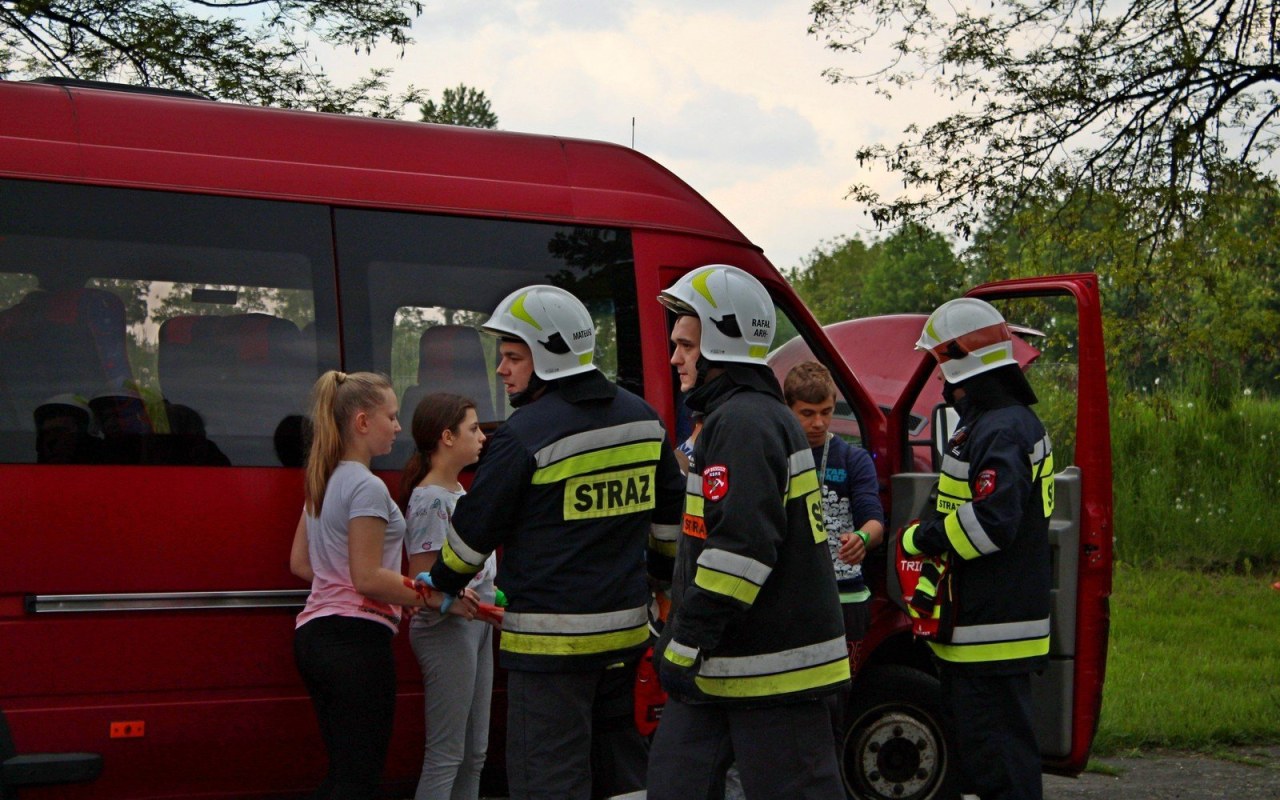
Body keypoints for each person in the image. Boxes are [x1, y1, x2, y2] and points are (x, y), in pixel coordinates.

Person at [425, 286, 685, 800]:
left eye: (513, 356)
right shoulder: (644, 419)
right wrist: (657, 578)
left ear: (550, 356)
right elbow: (670, 524)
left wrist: (443, 581)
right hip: (627, 642)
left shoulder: (524, 435)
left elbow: (470, 539)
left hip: (549, 654)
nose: (501, 369)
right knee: (626, 777)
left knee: (550, 780)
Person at [647, 264, 850, 800]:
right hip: (730, 662)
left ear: (720, 342)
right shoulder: (742, 417)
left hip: (773, 673)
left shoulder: (743, 423)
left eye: (686, 345)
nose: (675, 358)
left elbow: (741, 552)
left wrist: (685, 637)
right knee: (674, 784)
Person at [289, 370, 478, 800]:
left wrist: (397, 590)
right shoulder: (367, 487)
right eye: (391, 417)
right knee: (359, 777)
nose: (397, 427)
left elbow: (303, 563)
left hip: (314, 635)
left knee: (342, 772)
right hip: (355, 642)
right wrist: (438, 596)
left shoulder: (322, 479)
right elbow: (368, 577)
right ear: (361, 423)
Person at [900, 297, 1055, 800]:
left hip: (995, 631)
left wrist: (921, 538)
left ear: (959, 360)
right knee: (985, 763)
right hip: (981, 626)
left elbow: (993, 524)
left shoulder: (1002, 428)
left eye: (942, 364)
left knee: (1002, 769)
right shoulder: (991, 422)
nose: (941, 381)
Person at [400, 392, 499, 800]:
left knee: (474, 754)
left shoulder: (459, 491)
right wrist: (453, 601)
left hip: (474, 624)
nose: (481, 438)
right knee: (447, 755)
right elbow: (417, 584)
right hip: (447, 627)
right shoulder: (428, 500)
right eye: (473, 429)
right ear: (446, 437)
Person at [783, 361, 885, 669]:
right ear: (788, 408)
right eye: (808, 413)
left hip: (845, 599)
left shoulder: (853, 458)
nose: (819, 423)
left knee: (839, 696)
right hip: (791, 597)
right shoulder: (776, 454)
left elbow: (875, 522)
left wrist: (862, 538)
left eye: (826, 412)